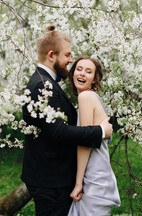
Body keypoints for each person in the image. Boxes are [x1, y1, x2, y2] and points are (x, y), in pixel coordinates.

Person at [20, 25, 113, 216]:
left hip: (54, 179)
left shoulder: (47, 83)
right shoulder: (42, 85)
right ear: (52, 55)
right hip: (50, 182)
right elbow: (59, 131)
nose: (70, 61)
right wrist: (101, 132)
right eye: (68, 55)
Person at [67, 55, 121, 216]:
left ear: (95, 80)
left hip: (94, 177)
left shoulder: (86, 97)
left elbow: (85, 143)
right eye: (79, 69)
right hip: (100, 173)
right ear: (73, 74)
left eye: (88, 71)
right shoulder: (90, 98)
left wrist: (78, 183)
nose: (82, 74)